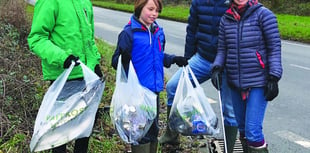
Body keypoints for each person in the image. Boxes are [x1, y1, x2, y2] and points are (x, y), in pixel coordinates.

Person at [159, 0, 238, 152]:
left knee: (229, 109)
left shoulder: (234, 2)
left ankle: (228, 148)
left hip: (228, 62)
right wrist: (188, 60)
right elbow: (192, 30)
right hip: (203, 58)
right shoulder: (199, 2)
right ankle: (171, 135)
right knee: (173, 87)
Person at [111, 0, 188, 152]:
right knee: (140, 132)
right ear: (140, 8)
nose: (154, 14)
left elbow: (158, 56)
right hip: (136, 93)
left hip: (154, 92)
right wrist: (124, 59)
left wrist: (173, 59)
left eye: (157, 10)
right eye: (151, 9)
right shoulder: (129, 33)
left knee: (153, 130)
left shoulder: (158, 32)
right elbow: (115, 62)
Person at [27, 0, 103, 152]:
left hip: (87, 78)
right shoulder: (50, 2)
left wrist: (95, 62)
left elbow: (89, 38)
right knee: (59, 133)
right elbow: (37, 39)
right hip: (64, 78)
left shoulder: (85, 2)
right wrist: (63, 58)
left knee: (84, 128)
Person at [211, 0, 282, 152]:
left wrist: (274, 77)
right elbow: (223, 49)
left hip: (258, 81)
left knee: (253, 132)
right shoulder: (226, 18)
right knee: (243, 129)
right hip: (235, 81)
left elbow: (274, 48)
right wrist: (217, 67)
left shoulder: (264, 15)